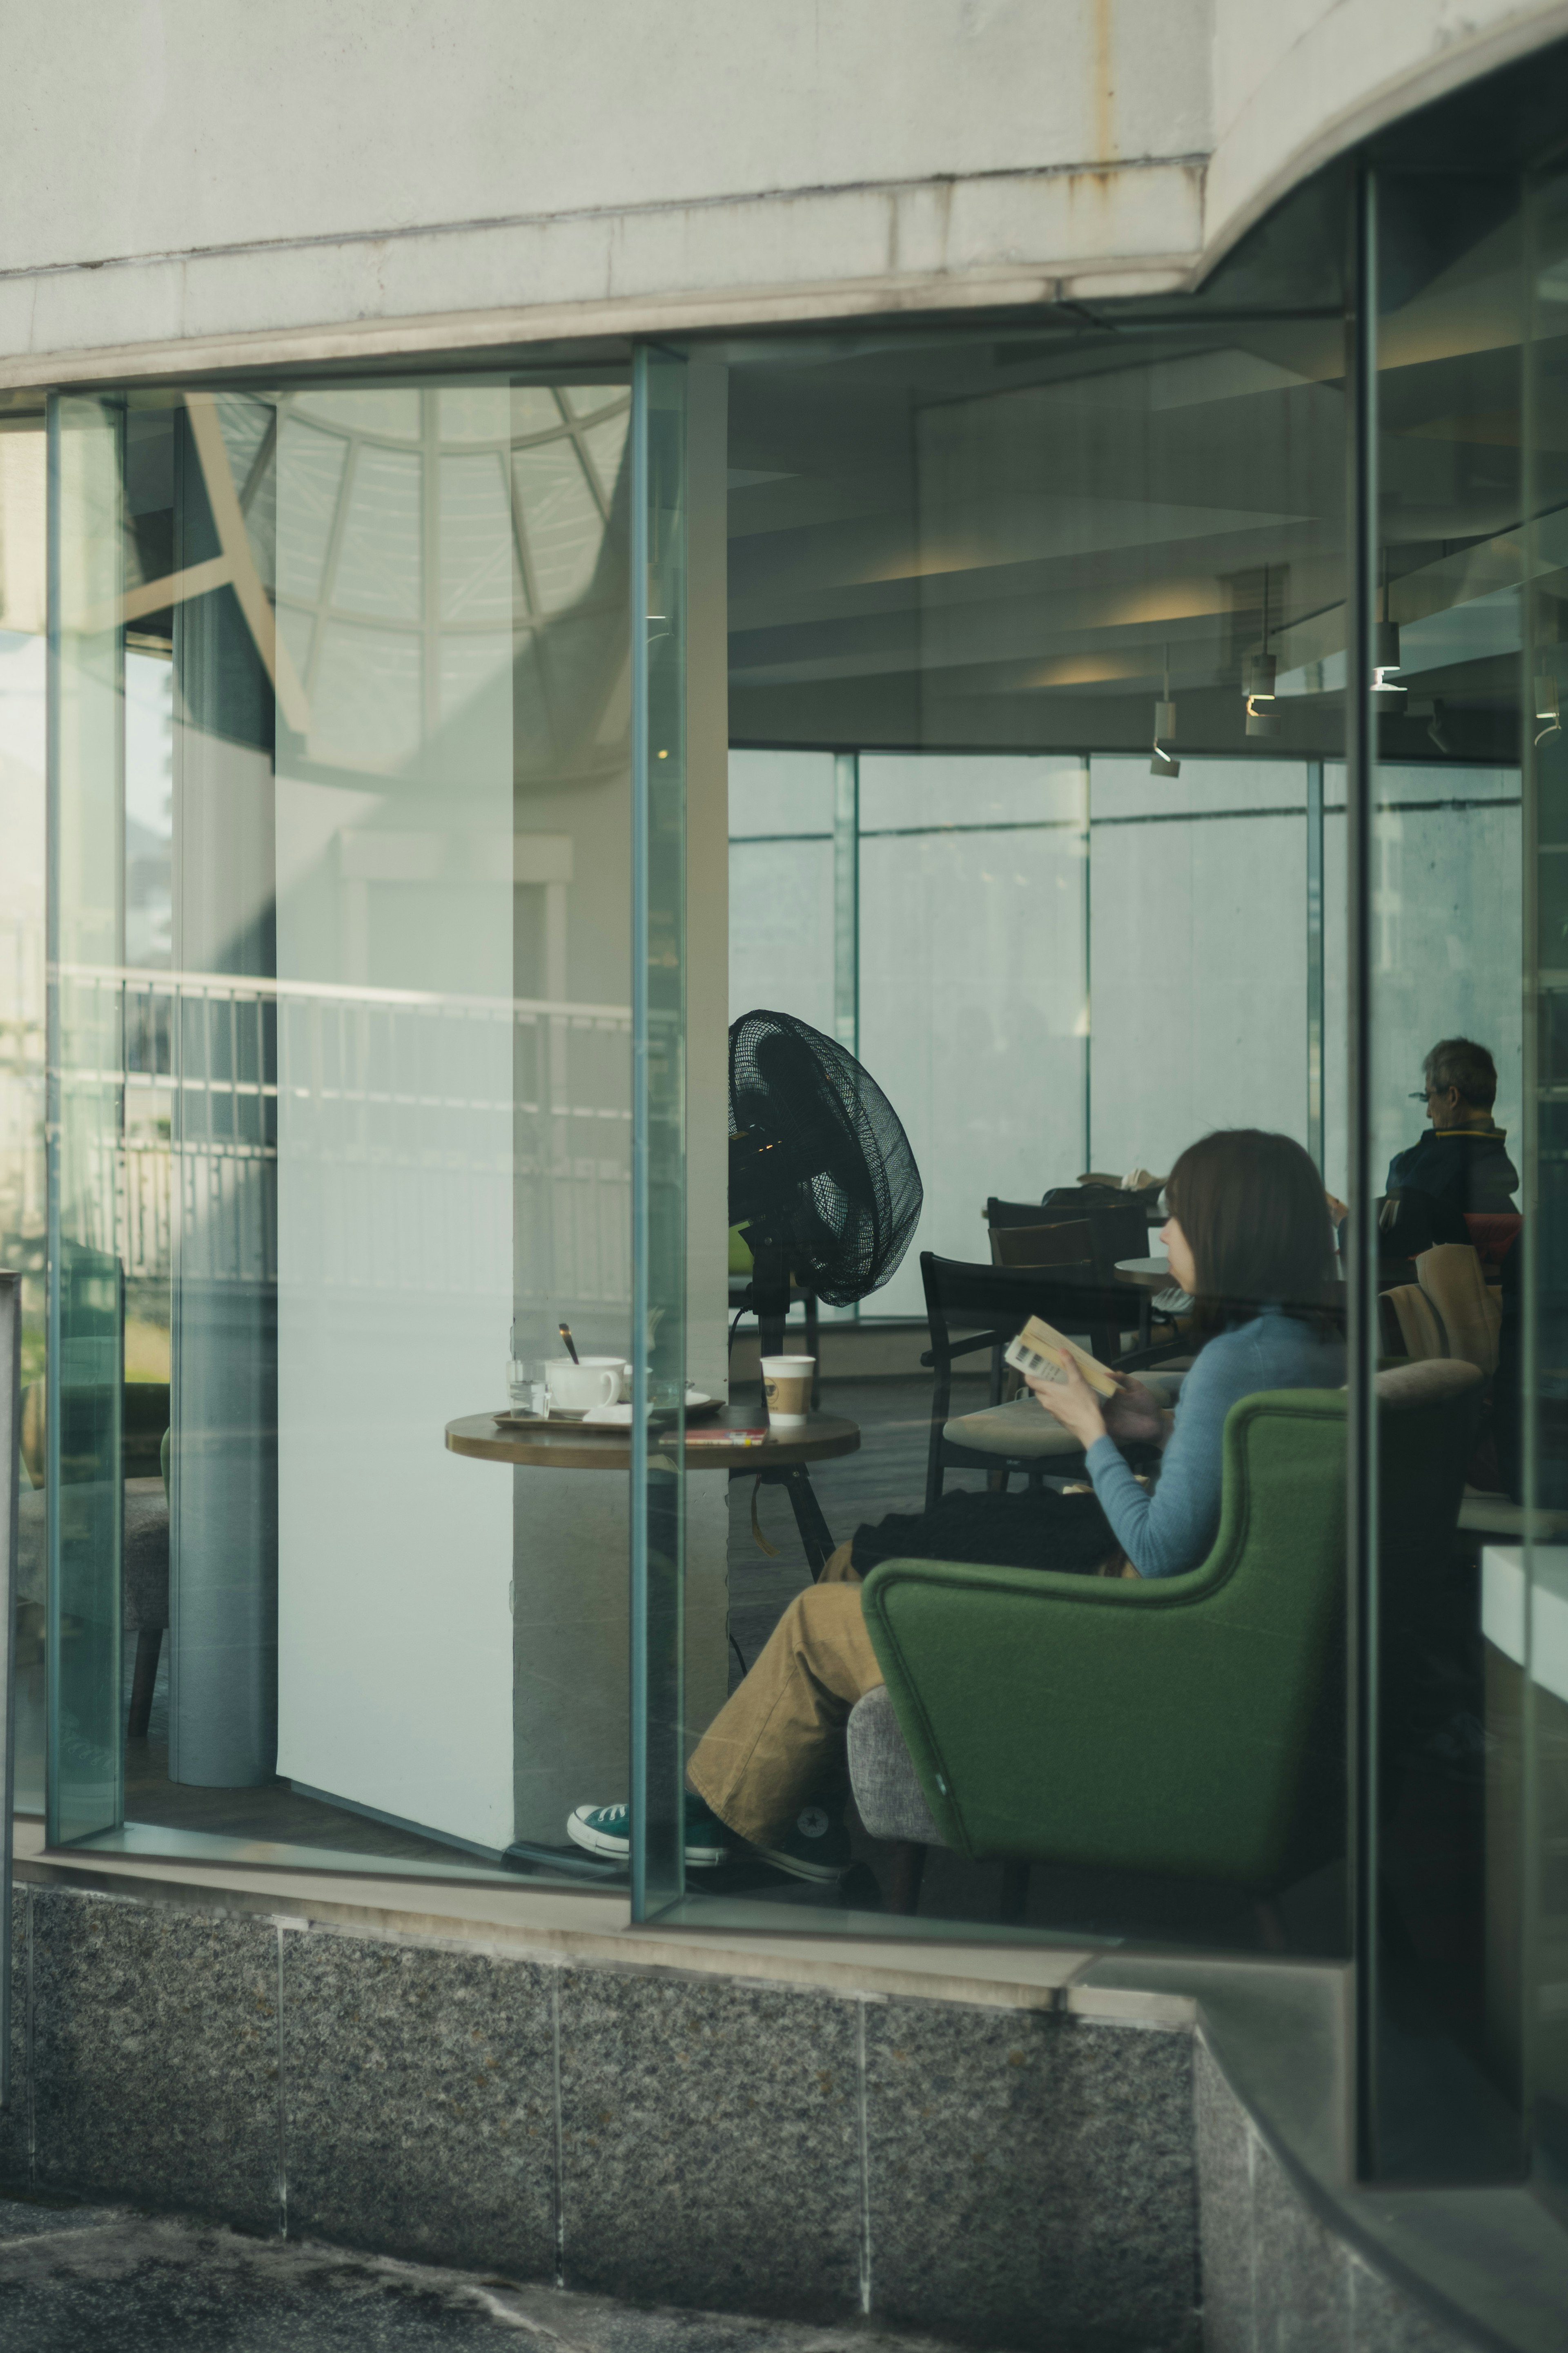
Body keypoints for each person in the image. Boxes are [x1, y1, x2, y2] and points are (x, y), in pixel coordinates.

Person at [566, 1128, 1345, 1885]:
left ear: (1231, 1232)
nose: (1166, 1230)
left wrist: (1090, 1432)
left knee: (816, 1615)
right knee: (855, 1560)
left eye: (1180, 1216)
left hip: (1124, 1643)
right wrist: (1161, 1427)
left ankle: (708, 1821)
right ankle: (803, 1820)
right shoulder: (1302, 1348)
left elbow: (1161, 1550)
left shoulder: (1228, 1365)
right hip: (1179, 1622)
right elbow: (1238, 1478)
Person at [1385, 1038, 1518, 1214]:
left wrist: (1343, 1221)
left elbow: (1386, 1232)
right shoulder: (1498, 1171)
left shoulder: (1424, 1168)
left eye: (1429, 1097)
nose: (1428, 1113)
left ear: (1452, 1097)